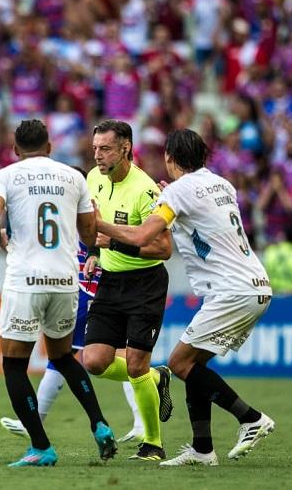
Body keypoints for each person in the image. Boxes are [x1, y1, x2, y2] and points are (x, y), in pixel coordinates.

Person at [96, 128, 275, 466]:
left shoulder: (179, 192)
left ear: (169, 158)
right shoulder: (222, 184)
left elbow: (145, 234)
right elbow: (200, 217)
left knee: (179, 363)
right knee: (194, 364)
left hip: (231, 291)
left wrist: (100, 225)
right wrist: (171, 199)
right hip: (255, 284)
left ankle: (250, 418)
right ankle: (203, 450)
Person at [0, 119, 116, 467]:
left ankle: (41, 446)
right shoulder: (74, 177)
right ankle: (99, 423)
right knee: (62, 357)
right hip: (65, 280)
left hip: (25, 279)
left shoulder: (5, 176)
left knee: (14, 366)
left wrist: (2, 242)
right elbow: (89, 232)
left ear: (15, 149)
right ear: (50, 147)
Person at [0, 168, 145, 444]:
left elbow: (106, 239)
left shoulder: (92, 210)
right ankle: (136, 419)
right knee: (67, 355)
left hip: (96, 294)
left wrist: (97, 254)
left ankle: (139, 418)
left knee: (77, 356)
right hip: (80, 291)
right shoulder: (73, 212)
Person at [81, 119, 174, 461]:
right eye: (95, 149)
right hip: (110, 281)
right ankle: (156, 377)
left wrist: (114, 246)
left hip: (145, 284)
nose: (98, 156)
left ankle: (153, 444)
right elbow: (93, 227)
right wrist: (94, 252)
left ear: (125, 149)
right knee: (93, 360)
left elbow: (164, 249)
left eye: (105, 149)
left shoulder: (145, 190)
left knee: (134, 366)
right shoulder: (93, 179)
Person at [263, 229, 292, 295]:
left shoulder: (270, 251)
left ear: (283, 237)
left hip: (272, 295)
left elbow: (264, 275)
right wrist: (290, 293)